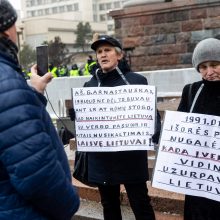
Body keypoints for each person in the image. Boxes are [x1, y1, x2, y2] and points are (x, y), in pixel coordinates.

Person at [0, 1, 80, 219]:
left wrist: (33, 93)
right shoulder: (6, 82)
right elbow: (36, 173)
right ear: (8, 29)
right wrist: (70, 203)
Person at [72, 34, 161, 220]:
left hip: (131, 156)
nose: (103, 55)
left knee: (140, 202)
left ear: (119, 55)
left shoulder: (137, 81)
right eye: (99, 52)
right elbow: (86, 124)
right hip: (102, 157)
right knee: (109, 205)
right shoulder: (89, 86)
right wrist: (78, 115)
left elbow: (151, 114)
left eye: (107, 50)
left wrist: (153, 129)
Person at [177, 37, 220, 220]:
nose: (209, 72)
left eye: (215, 64)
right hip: (198, 173)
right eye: (203, 67)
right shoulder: (191, 90)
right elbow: (179, 125)